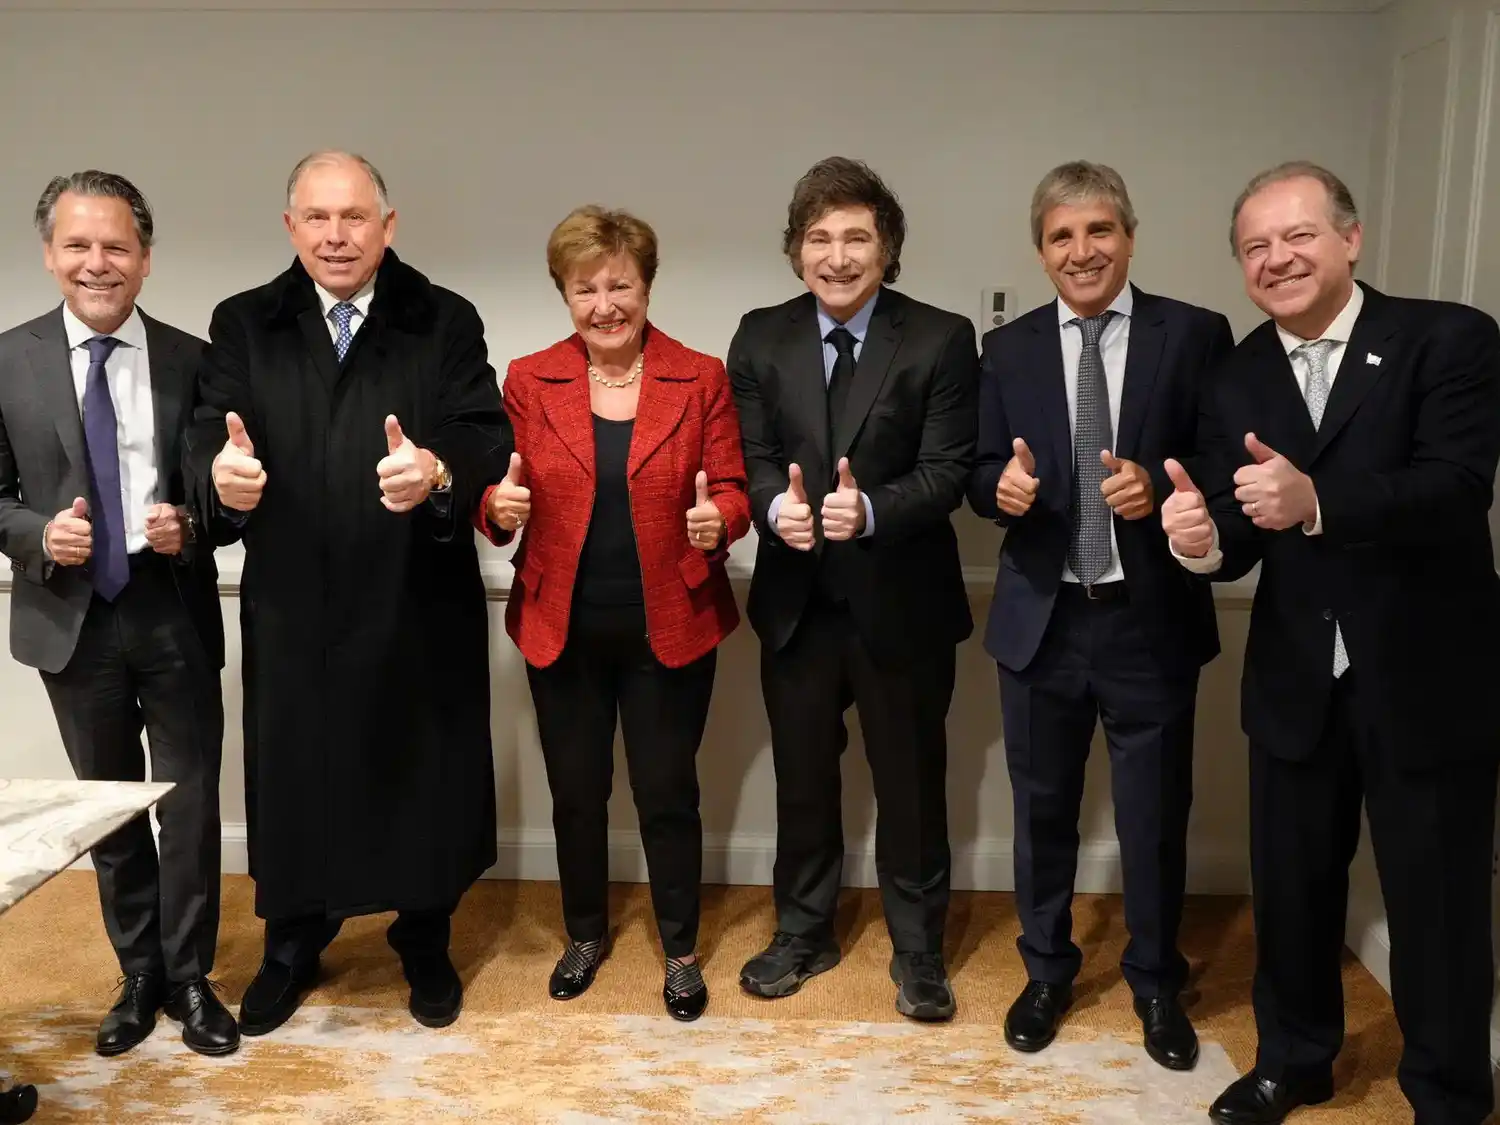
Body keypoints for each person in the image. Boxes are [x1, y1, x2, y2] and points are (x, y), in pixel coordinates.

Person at [1163, 161, 1500, 1125]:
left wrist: (1320, 502)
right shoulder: (1234, 375)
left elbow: (1456, 486)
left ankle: (1447, 1091)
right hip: (1297, 681)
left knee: (1436, 903)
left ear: (1350, 239)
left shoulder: (1448, 338)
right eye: (1256, 246)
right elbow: (1233, 527)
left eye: (1298, 236)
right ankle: (1296, 1060)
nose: (1278, 259)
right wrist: (1200, 540)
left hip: (1427, 675)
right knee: (1293, 891)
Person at [183, 151, 513, 1036]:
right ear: (291, 227)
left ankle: (425, 936)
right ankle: (293, 941)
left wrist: (437, 466)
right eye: (318, 218)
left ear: (388, 225)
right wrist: (225, 477)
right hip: (295, 603)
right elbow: (208, 432)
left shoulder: (444, 318)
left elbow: (483, 429)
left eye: (354, 217)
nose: (336, 235)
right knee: (297, 775)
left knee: (421, 775)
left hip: (415, 598)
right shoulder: (245, 322)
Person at [966, 161, 1233, 1070]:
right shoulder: (1006, 349)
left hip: (1146, 616)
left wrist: (1157, 484)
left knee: (1154, 812)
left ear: (1128, 234)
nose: (1081, 251)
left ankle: (1157, 979)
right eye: (1061, 237)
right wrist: (996, 488)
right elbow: (975, 469)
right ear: (1040, 251)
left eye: (1098, 231)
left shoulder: (1195, 334)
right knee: (1042, 809)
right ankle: (1045, 969)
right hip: (1042, 619)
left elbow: (1219, 457)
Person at [479, 206, 750, 1021]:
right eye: (585, 287)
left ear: (647, 285)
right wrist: (500, 505)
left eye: (620, 284)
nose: (605, 304)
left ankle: (680, 950)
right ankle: (585, 934)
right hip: (560, 627)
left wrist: (721, 520)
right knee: (576, 792)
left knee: (668, 793)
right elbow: (499, 497)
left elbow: (734, 488)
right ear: (564, 293)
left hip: (672, 623)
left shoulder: (699, 376)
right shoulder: (529, 378)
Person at [726, 156, 978, 1021]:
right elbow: (752, 460)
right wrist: (770, 509)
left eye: (857, 237)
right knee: (802, 781)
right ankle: (804, 931)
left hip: (902, 603)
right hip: (796, 605)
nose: (837, 256)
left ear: (888, 247)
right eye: (820, 237)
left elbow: (948, 470)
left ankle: (918, 950)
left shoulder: (941, 337)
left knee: (910, 784)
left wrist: (868, 509)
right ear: (797, 249)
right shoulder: (759, 335)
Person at [0, 172, 235, 1057]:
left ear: (144, 257)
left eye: (117, 247)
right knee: (110, 808)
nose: (98, 263)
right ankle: (138, 974)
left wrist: (192, 523)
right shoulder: (5, 357)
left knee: (191, 802)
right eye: (78, 245)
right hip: (70, 618)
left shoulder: (195, 359)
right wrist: (34, 534)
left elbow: (231, 498)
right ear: (52, 254)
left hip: (168, 602)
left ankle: (192, 978)